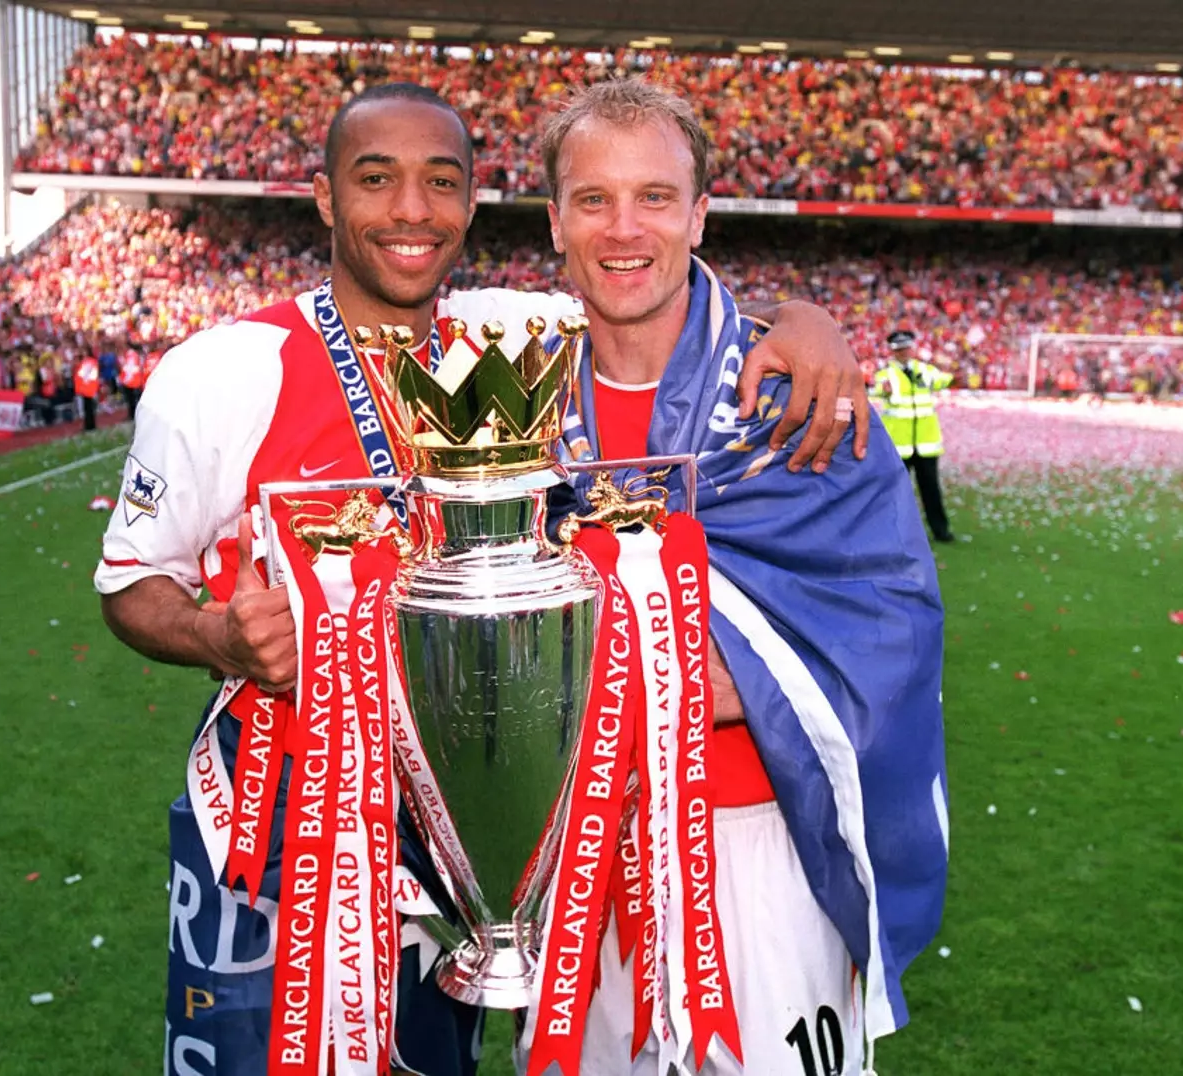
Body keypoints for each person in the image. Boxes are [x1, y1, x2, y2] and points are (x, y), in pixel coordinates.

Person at [94, 83, 867, 1076]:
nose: (411, 209)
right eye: (376, 180)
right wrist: (219, 638)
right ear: (324, 197)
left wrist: (807, 322)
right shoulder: (225, 370)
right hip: (278, 841)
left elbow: (655, 284)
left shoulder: (512, 336)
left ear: (471, 204)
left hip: (463, 846)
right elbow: (129, 583)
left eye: (441, 183)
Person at [540, 79, 946, 1075]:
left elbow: (892, 624)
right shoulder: (516, 408)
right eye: (593, 199)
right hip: (579, 855)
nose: (623, 228)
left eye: (655, 196)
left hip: (758, 847)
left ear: (700, 213)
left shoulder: (801, 401)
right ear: (555, 218)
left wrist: (702, 680)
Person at [873, 329, 955, 542]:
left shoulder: (925, 371)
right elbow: (876, 388)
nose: (903, 352)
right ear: (892, 351)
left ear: (912, 348)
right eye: (899, 349)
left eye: (906, 348)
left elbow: (946, 379)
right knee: (896, 491)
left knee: (931, 490)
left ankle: (941, 530)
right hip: (899, 444)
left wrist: (948, 364)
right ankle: (892, 531)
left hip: (926, 443)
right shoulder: (886, 375)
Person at [74, 350, 100, 431]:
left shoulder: (88, 363)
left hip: (87, 386)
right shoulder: (89, 362)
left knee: (88, 407)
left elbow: (82, 375)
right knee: (88, 407)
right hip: (87, 387)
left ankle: (90, 425)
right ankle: (90, 424)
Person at [118, 344, 144, 419]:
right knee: (132, 399)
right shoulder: (129, 355)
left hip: (132, 379)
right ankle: (133, 414)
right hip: (131, 380)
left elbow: (129, 367)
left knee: (133, 399)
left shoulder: (131, 355)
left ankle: (133, 414)